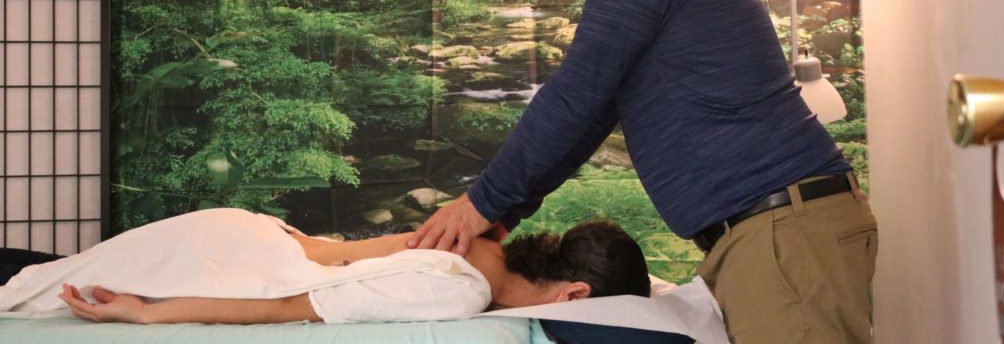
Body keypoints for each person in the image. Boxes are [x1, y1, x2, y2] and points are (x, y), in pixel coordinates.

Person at [406, 0, 878, 344]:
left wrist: (480, 203)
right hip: (762, 232)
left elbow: (576, 90)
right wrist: (504, 214)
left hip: (782, 230)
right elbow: (589, 116)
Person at [0, 208, 649, 324]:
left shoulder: (487, 241)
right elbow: (286, 309)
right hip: (223, 263)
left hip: (247, 232)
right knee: (29, 291)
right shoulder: (452, 295)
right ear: (573, 293)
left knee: (42, 276)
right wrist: (150, 312)